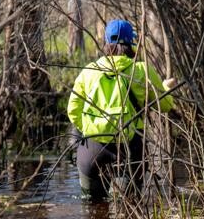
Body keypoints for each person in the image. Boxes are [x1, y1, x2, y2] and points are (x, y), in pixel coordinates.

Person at [66, 19, 176, 200]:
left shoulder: (88, 71)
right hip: (129, 149)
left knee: (93, 209)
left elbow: (73, 111)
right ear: (132, 43)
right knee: (130, 209)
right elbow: (166, 105)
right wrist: (165, 89)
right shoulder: (141, 70)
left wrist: (89, 128)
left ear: (107, 44)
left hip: (91, 150)